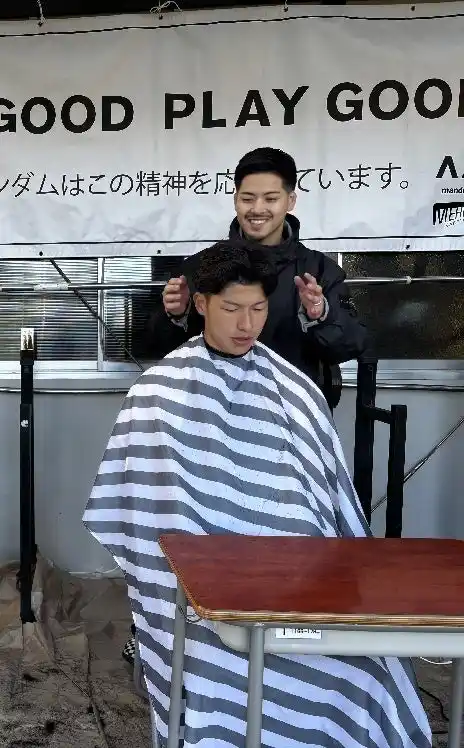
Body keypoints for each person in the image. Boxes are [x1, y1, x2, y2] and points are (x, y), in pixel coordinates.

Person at [83, 241, 430, 748]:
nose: (247, 324)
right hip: (198, 587)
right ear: (201, 304)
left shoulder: (295, 388)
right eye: (231, 309)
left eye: (258, 309)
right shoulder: (158, 391)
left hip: (298, 575)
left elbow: (327, 507)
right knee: (213, 651)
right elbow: (149, 515)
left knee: (366, 667)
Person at [146, 147, 369, 398]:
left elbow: (351, 346)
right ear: (235, 199)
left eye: (270, 199)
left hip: (292, 408)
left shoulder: (318, 270)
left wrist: (321, 316)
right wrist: (176, 316)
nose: (257, 209)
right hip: (211, 406)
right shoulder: (199, 267)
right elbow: (161, 350)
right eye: (248, 199)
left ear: (290, 201)